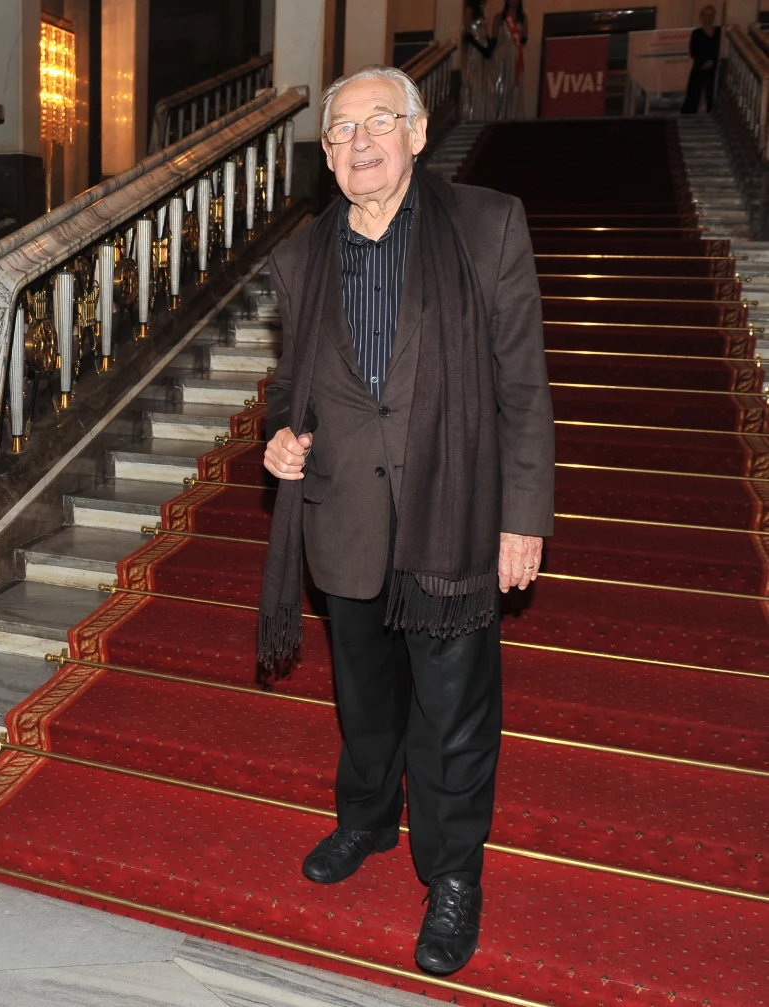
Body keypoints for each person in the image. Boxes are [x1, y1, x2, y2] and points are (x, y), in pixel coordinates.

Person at [258, 66, 553, 976]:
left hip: (453, 519)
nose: (360, 142)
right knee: (366, 700)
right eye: (341, 131)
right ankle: (365, 820)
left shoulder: (488, 225)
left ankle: (454, 874)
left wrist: (522, 516)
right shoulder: (305, 255)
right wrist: (276, 438)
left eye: (378, 121)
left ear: (418, 134)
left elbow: (521, 386)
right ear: (328, 155)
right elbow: (287, 388)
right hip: (343, 518)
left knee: (457, 715)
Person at [491, 0, 527, 120]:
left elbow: (524, 39)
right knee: (500, 88)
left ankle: (512, 117)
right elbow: (494, 39)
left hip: (515, 58)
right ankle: (498, 117)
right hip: (501, 58)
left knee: (514, 88)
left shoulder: (523, 18)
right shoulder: (499, 18)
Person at [461, 1, 497, 122]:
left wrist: (489, 48)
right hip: (475, 51)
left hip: (483, 50)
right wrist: (481, 49)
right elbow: (468, 34)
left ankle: (483, 113)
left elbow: (485, 33)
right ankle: (473, 114)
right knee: (474, 80)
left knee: (485, 81)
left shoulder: (482, 12)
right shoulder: (469, 11)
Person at [683, 5, 721, 113]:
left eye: (711, 15)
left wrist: (713, 61)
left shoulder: (719, 32)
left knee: (712, 91)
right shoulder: (697, 33)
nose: (709, 17)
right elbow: (693, 51)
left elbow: (720, 49)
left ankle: (711, 112)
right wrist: (703, 63)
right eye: (706, 15)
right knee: (694, 91)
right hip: (699, 66)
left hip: (714, 67)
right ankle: (689, 114)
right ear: (702, 17)